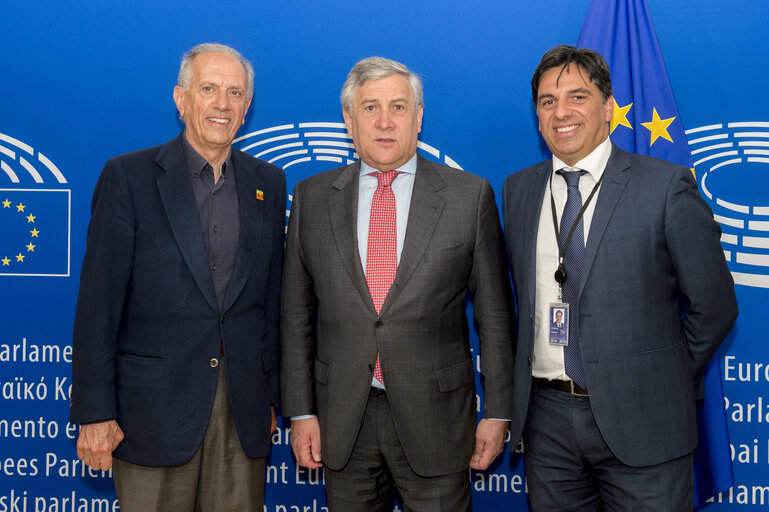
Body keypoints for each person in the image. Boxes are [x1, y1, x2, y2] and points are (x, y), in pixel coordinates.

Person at [503, 45, 737, 510]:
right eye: (548, 101)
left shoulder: (666, 186)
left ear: (607, 107)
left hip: (645, 419)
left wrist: (657, 377)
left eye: (577, 96)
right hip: (547, 424)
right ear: (537, 114)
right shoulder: (519, 189)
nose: (562, 112)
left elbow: (715, 307)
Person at [280, 56, 515, 511]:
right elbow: (294, 316)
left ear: (419, 116)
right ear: (349, 120)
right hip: (341, 420)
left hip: (438, 421)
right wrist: (302, 410)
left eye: (399, 107)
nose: (385, 122)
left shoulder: (470, 197)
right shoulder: (311, 197)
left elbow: (496, 317)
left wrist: (499, 411)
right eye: (370, 108)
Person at [70, 43, 285, 511]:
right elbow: (97, 306)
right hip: (151, 414)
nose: (222, 104)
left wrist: (268, 397)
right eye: (208, 89)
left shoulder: (269, 182)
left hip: (241, 414)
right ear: (181, 98)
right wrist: (95, 412)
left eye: (235, 93)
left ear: (247, 107)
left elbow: (269, 304)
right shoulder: (128, 177)